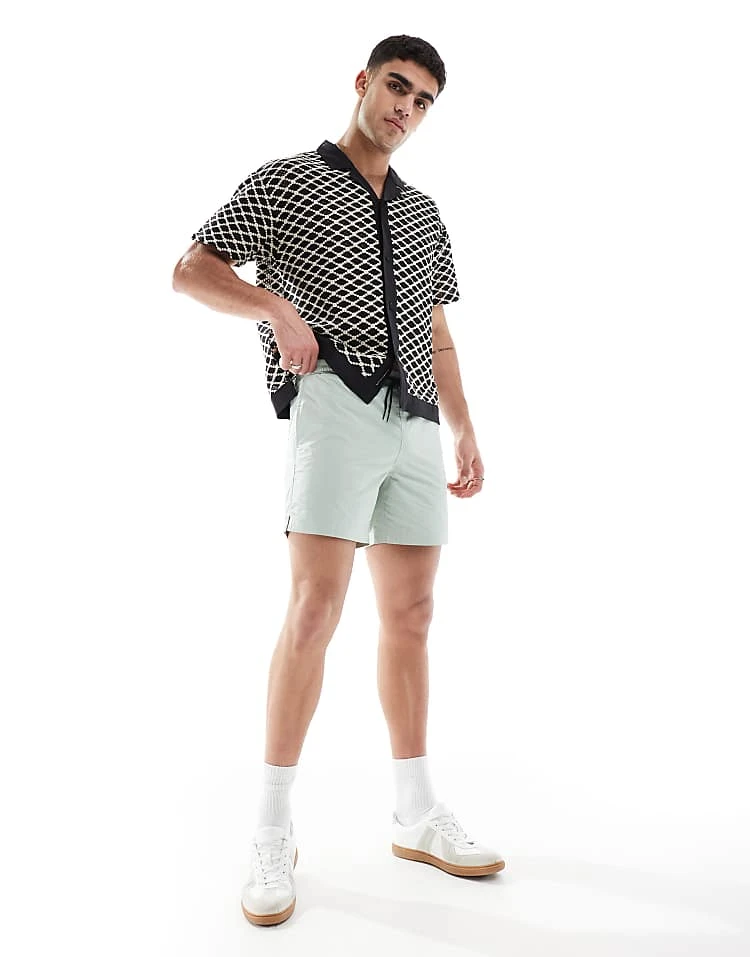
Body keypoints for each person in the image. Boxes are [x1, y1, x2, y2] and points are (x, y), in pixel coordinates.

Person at [172, 34, 505, 929]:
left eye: (423, 100)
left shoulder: (426, 211)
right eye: (397, 87)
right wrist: (275, 308)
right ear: (363, 82)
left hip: (416, 418)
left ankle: (415, 811)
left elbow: (436, 331)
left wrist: (464, 423)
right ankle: (271, 828)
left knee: (413, 614)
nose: (407, 108)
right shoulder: (286, 181)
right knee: (315, 609)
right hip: (333, 403)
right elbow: (191, 268)